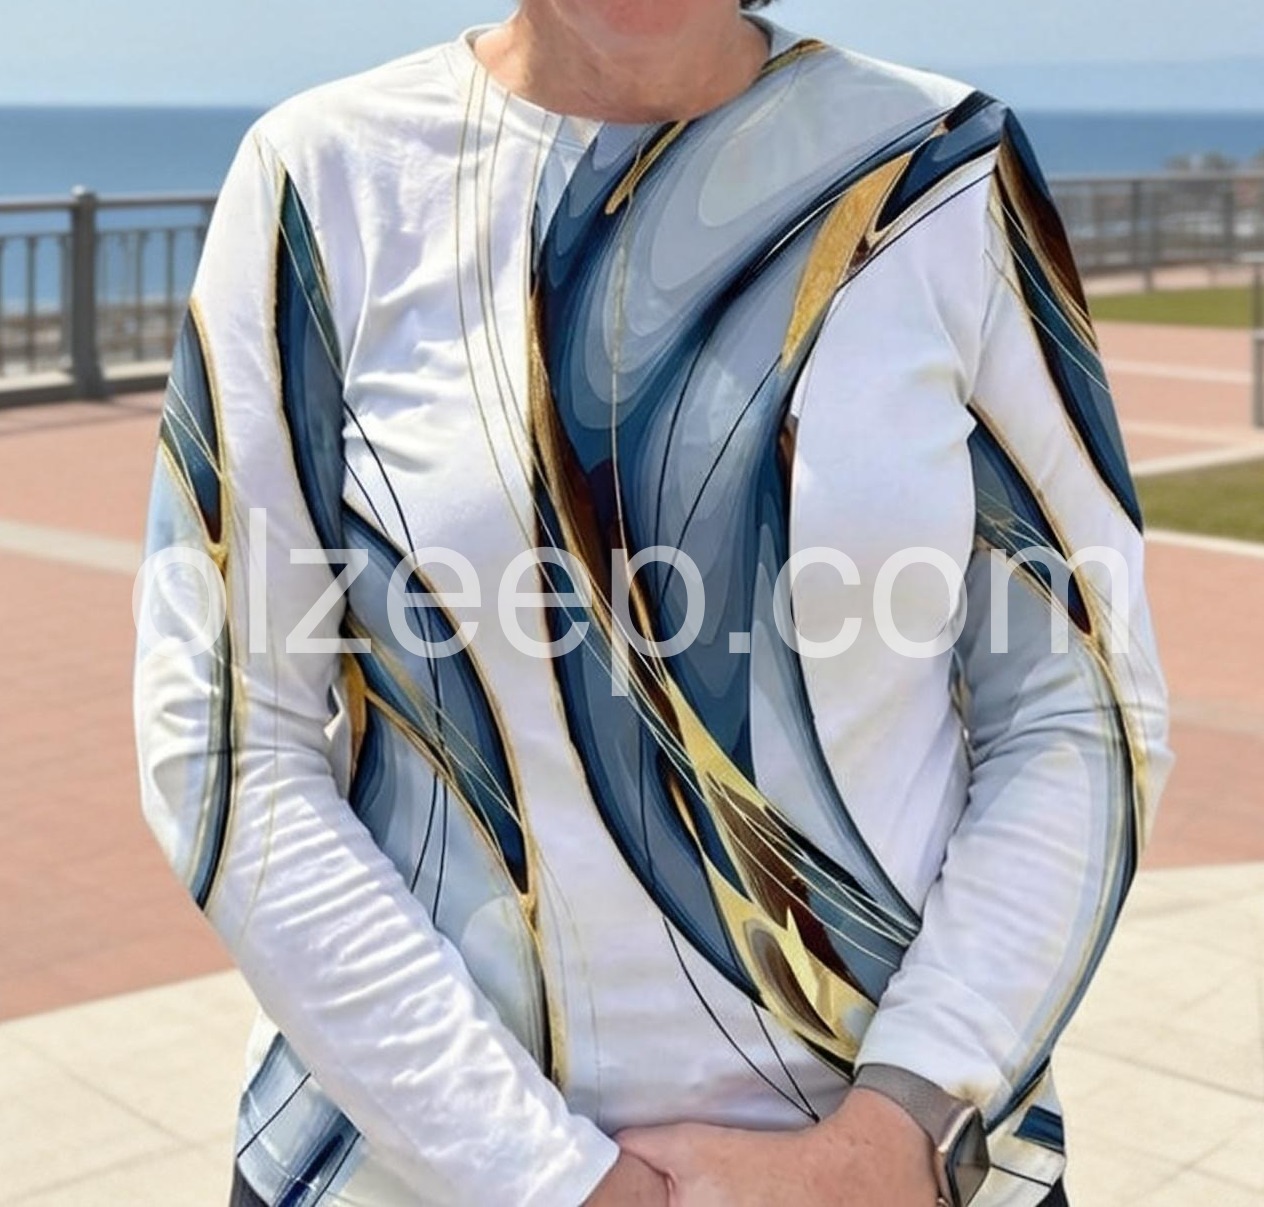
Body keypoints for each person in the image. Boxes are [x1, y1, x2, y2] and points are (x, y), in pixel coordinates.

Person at [133, 1, 1172, 1204]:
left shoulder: (944, 167)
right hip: (405, 1173)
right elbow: (228, 742)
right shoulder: (320, 179)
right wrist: (545, 1177)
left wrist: (892, 1138)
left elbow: (1078, 708)